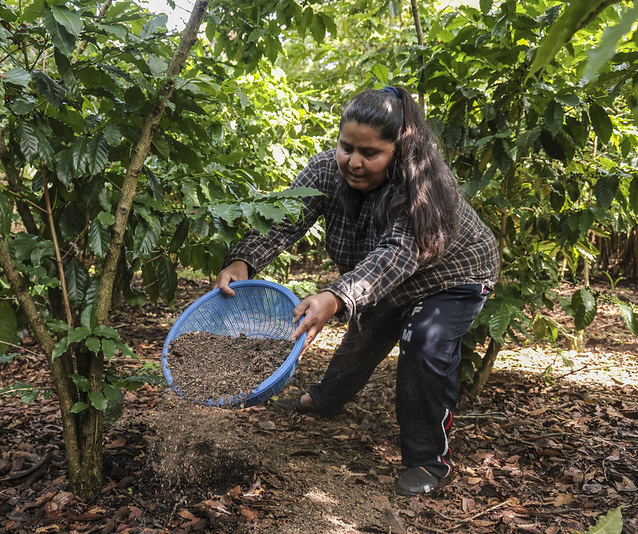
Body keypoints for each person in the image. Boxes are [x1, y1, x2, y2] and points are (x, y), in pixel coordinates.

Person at [214, 86, 499, 496]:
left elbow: (399, 253)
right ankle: (326, 400)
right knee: (367, 330)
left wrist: (335, 296)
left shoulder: (425, 186)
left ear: (399, 150)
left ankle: (426, 460)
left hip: (453, 275)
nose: (354, 162)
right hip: (384, 275)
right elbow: (284, 218)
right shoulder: (326, 170)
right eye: (346, 147)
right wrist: (244, 259)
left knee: (423, 343)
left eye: (370, 153)